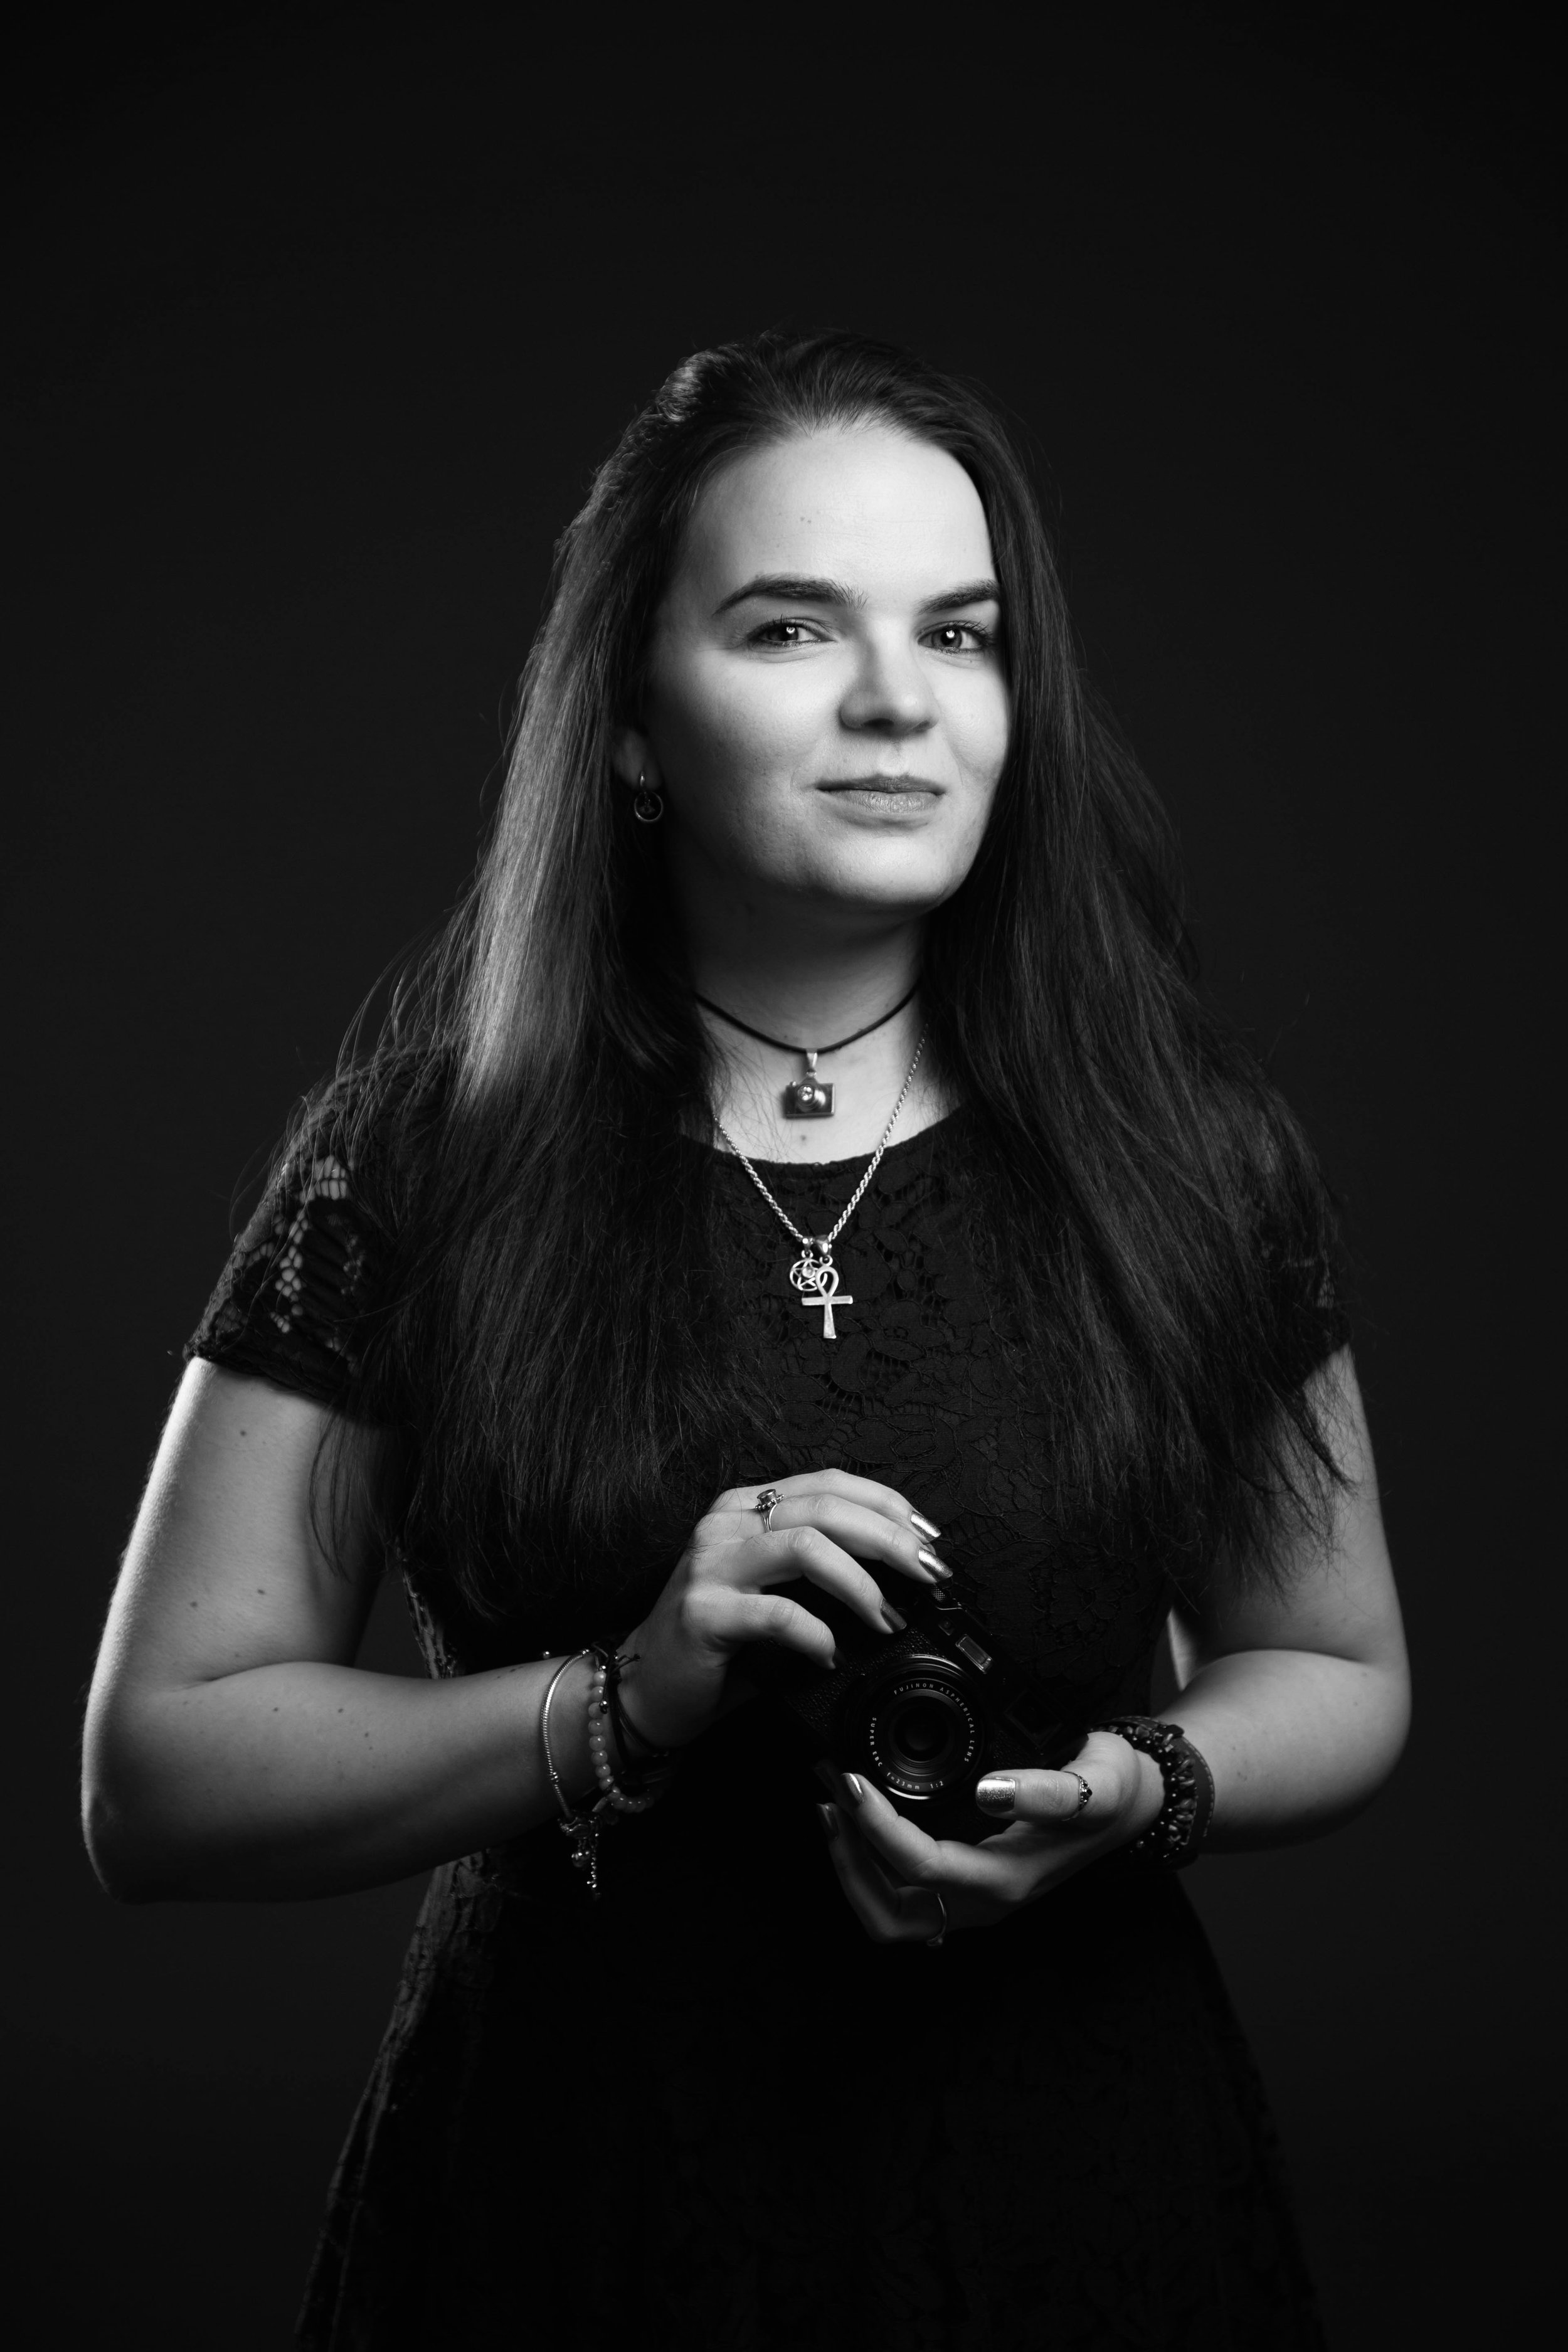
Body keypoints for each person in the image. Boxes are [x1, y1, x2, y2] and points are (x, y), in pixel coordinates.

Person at [83, 329, 1410, 2349]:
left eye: (958, 633)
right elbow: (161, 1778)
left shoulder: (1187, 1155)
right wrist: (622, 1697)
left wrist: (1141, 1787)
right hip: (564, 2205)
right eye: (793, 626)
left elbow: (1334, 1666)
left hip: (1083, 2203)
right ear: (630, 724)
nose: (897, 699)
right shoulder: (420, 1159)